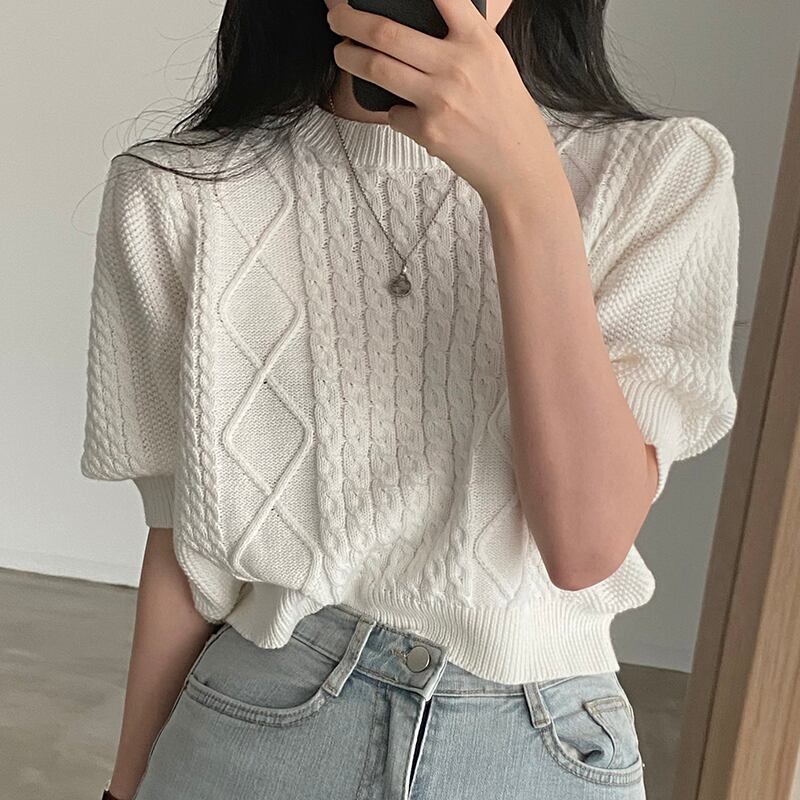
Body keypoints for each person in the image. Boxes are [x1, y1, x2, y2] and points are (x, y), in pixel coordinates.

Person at [80, 0, 740, 798]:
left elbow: (584, 544)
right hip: (255, 726)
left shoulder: (659, 175)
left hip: (534, 749)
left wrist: (527, 189)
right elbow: (180, 545)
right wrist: (125, 788)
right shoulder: (178, 193)